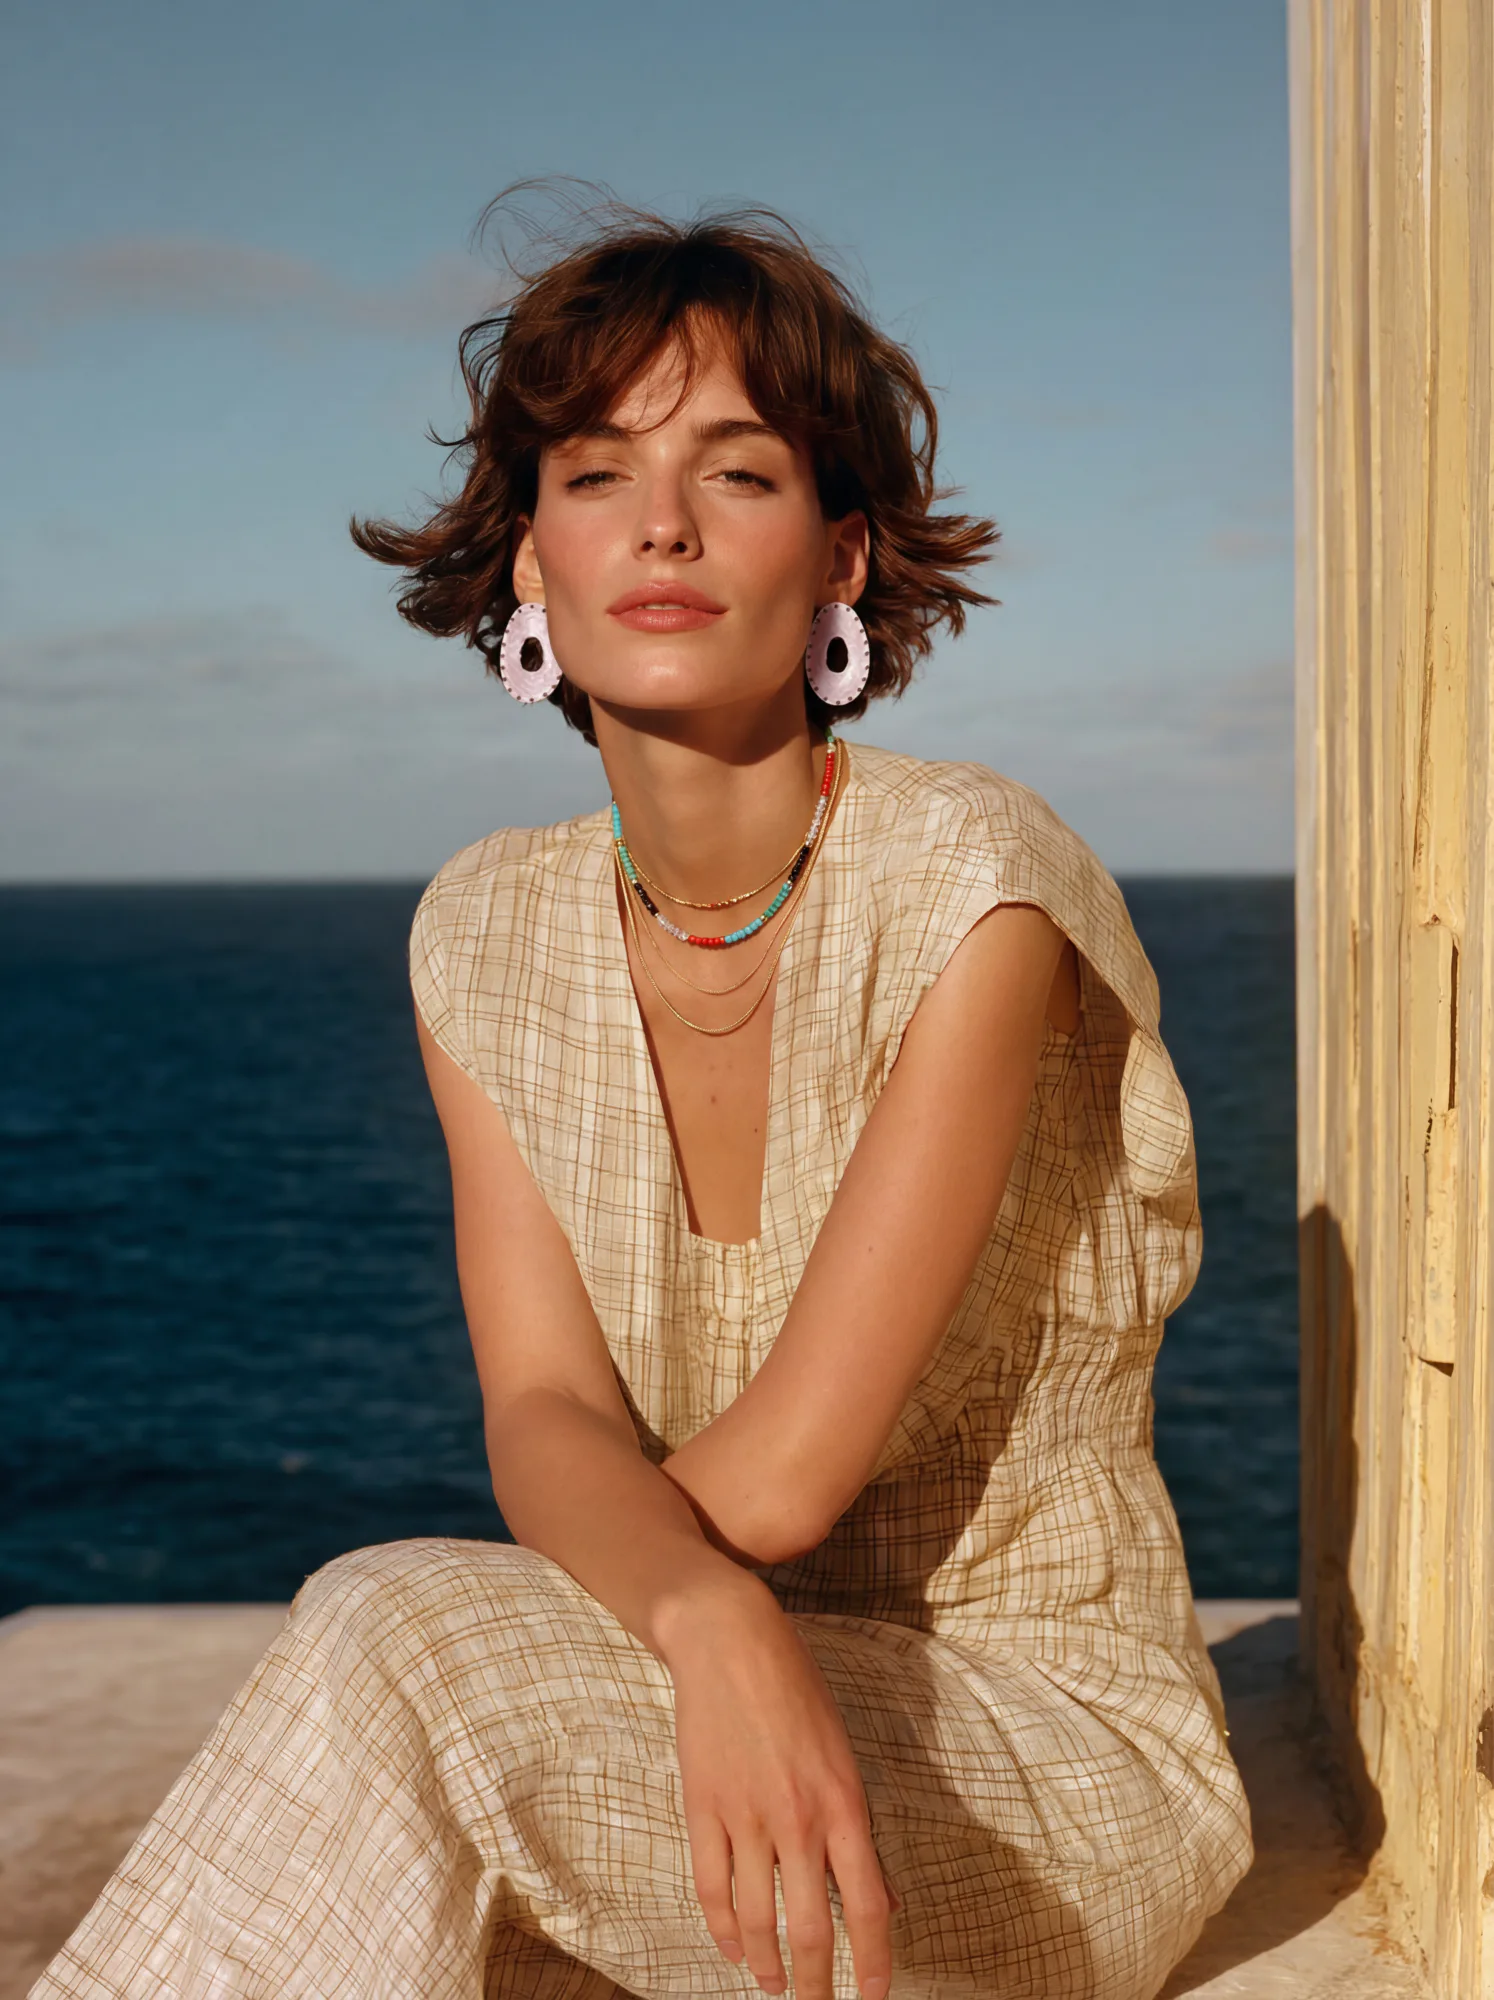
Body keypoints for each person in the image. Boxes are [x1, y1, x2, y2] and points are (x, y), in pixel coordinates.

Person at [33, 202, 1252, 2000]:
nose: (661, 523)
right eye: (596, 472)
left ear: (840, 557)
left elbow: (791, 1471)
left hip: (1035, 1746)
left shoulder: (967, 883)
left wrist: (703, 1605)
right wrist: (702, 1618)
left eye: (736, 472)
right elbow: (538, 1407)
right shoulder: (485, 926)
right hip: (705, 1676)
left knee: (398, 1634)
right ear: (530, 558)